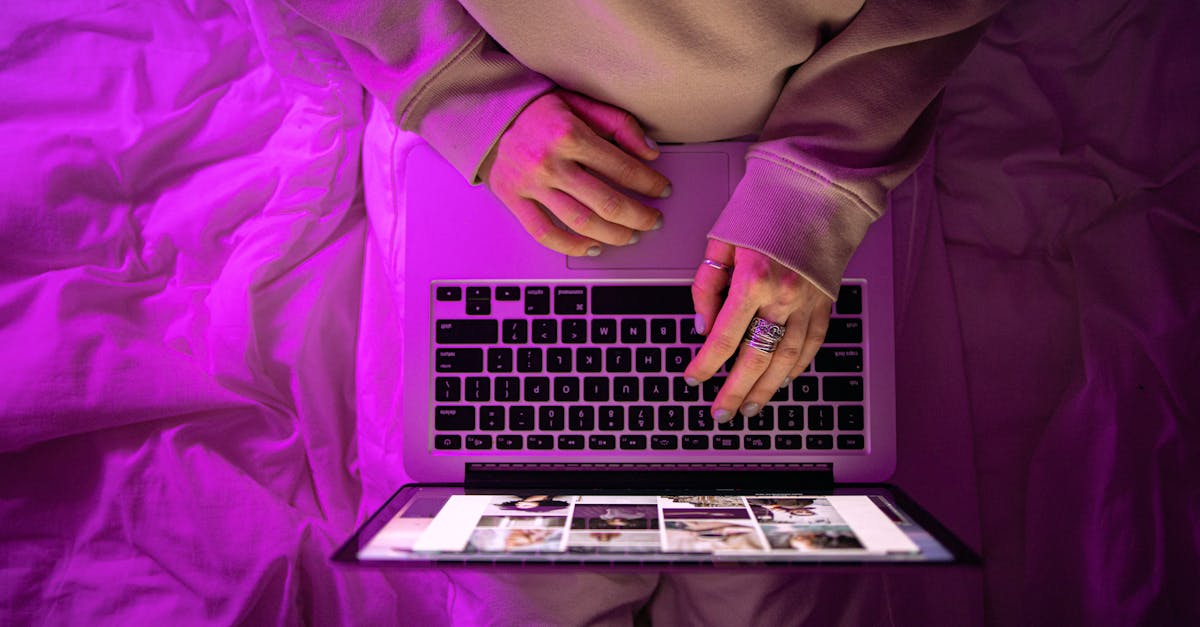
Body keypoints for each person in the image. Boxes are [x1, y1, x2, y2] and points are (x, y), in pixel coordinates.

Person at [285, 0, 1004, 623]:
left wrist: (814, 188)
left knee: (777, 592)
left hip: (813, 138)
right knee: (516, 592)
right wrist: (465, 92)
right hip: (495, 141)